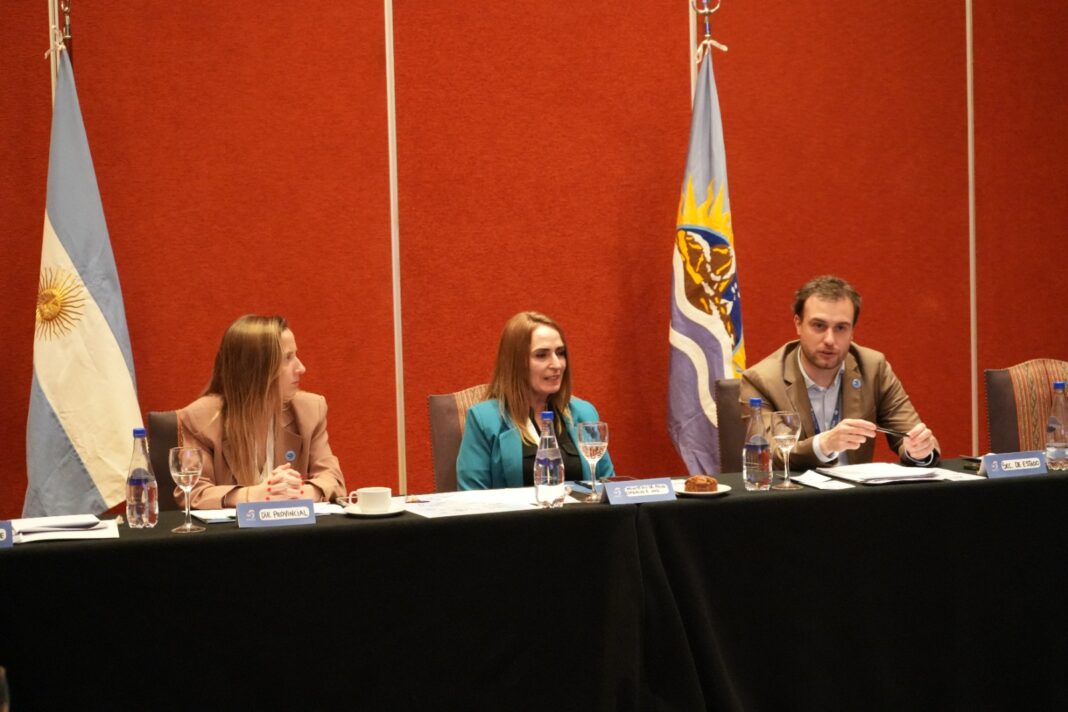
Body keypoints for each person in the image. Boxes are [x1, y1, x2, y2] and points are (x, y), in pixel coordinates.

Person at [740, 275, 939, 470]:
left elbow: (909, 433)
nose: (829, 339)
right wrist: (823, 445)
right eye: (819, 326)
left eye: (841, 328)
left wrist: (919, 451)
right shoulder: (762, 380)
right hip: (793, 498)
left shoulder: (873, 368)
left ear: (852, 331)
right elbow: (768, 455)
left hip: (855, 498)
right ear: (798, 324)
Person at [176, 315, 346, 509]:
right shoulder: (200, 420)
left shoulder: (309, 410)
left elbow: (332, 478)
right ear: (257, 369)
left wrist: (302, 491)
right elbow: (191, 492)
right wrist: (254, 494)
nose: (301, 368)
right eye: (288, 358)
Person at [457, 311, 615, 489]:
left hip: (581, 516)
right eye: (542, 355)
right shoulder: (484, 419)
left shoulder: (584, 412)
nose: (557, 364)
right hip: (514, 517)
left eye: (560, 353)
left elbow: (607, 488)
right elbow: (471, 497)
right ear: (515, 362)